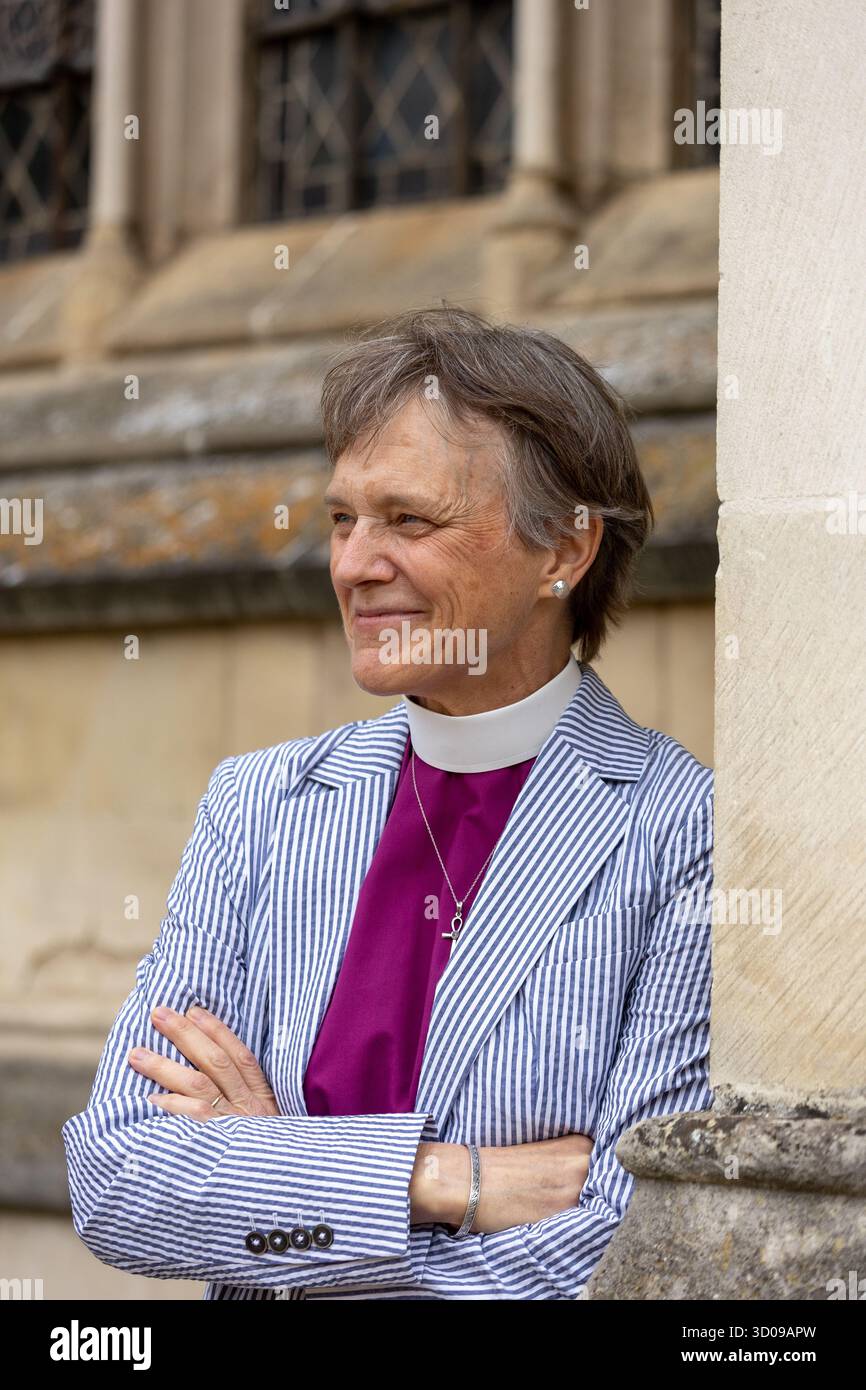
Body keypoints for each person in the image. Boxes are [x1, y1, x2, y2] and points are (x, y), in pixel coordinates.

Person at [62, 306, 714, 1300]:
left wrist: (271, 1169)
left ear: (563, 552)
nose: (353, 565)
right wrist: (437, 1178)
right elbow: (120, 1182)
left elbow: (614, 1251)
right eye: (341, 519)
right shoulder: (259, 805)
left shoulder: (682, 831)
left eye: (408, 520)